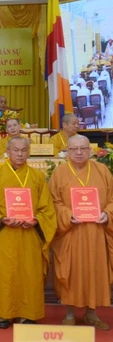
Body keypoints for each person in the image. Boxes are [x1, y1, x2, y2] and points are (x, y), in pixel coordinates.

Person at [0, 138, 57, 328]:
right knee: (3, 273)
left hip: (29, 233)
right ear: (7, 152)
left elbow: (46, 208)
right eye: (15, 150)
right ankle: (0, 314)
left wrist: (37, 220)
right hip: (4, 233)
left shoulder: (37, 176)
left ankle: (27, 313)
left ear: (29, 152)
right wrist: (1, 218)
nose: (20, 154)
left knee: (29, 273)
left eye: (24, 150)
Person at [49, 134, 113, 330]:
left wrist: (107, 214)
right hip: (71, 232)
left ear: (90, 151)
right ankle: (69, 312)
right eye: (74, 149)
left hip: (96, 232)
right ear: (67, 151)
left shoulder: (102, 170)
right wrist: (67, 215)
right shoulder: (59, 172)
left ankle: (91, 313)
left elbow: (112, 199)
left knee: (94, 271)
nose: (78, 152)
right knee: (71, 271)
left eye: (83, 148)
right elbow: (52, 202)